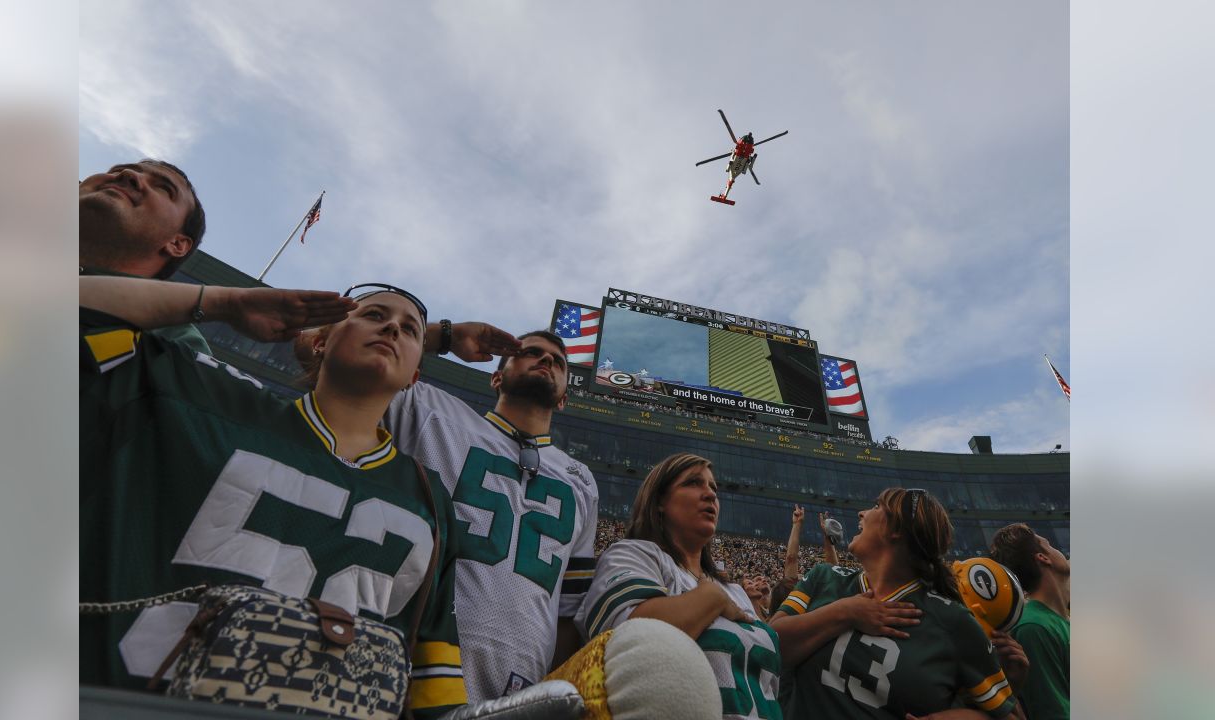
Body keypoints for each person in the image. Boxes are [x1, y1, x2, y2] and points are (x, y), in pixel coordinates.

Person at [79, 276, 466, 718]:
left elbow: (433, 671)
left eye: (411, 329)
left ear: (414, 377)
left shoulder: (427, 495)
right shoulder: (214, 398)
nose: (393, 329)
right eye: (374, 315)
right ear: (318, 342)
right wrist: (223, 300)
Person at [378, 328, 599, 702]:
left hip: (518, 684)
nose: (546, 360)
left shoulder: (582, 482)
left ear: (563, 399)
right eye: (530, 352)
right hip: (408, 658)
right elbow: (331, 350)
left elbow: (567, 613)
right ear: (496, 377)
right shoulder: (430, 412)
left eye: (558, 362)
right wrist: (442, 338)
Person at [771, 488, 1021, 719]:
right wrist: (846, 611)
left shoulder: (953, 620)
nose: (862, 512)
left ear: (897, 529)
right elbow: (770, 646)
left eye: (876, 506)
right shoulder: (823, 577)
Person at [576, 452, 782, 719]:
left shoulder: (735, 592)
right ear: (660, 500)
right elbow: (631, 644)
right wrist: (711, 598)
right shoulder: (633, 556)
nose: (710, 495)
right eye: (694, 483)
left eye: (713, 488)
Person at [79, 159, 210, 352]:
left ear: (177, 243)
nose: (128, 175)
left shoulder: (177, 344)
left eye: (164, 189)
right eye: (118, 170)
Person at [989, 524, 1070, 720]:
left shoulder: (1061, 619)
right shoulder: (1032, 628)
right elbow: (1052, 710)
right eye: (1049, 545)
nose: (1058, 550)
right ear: (1043, 558)